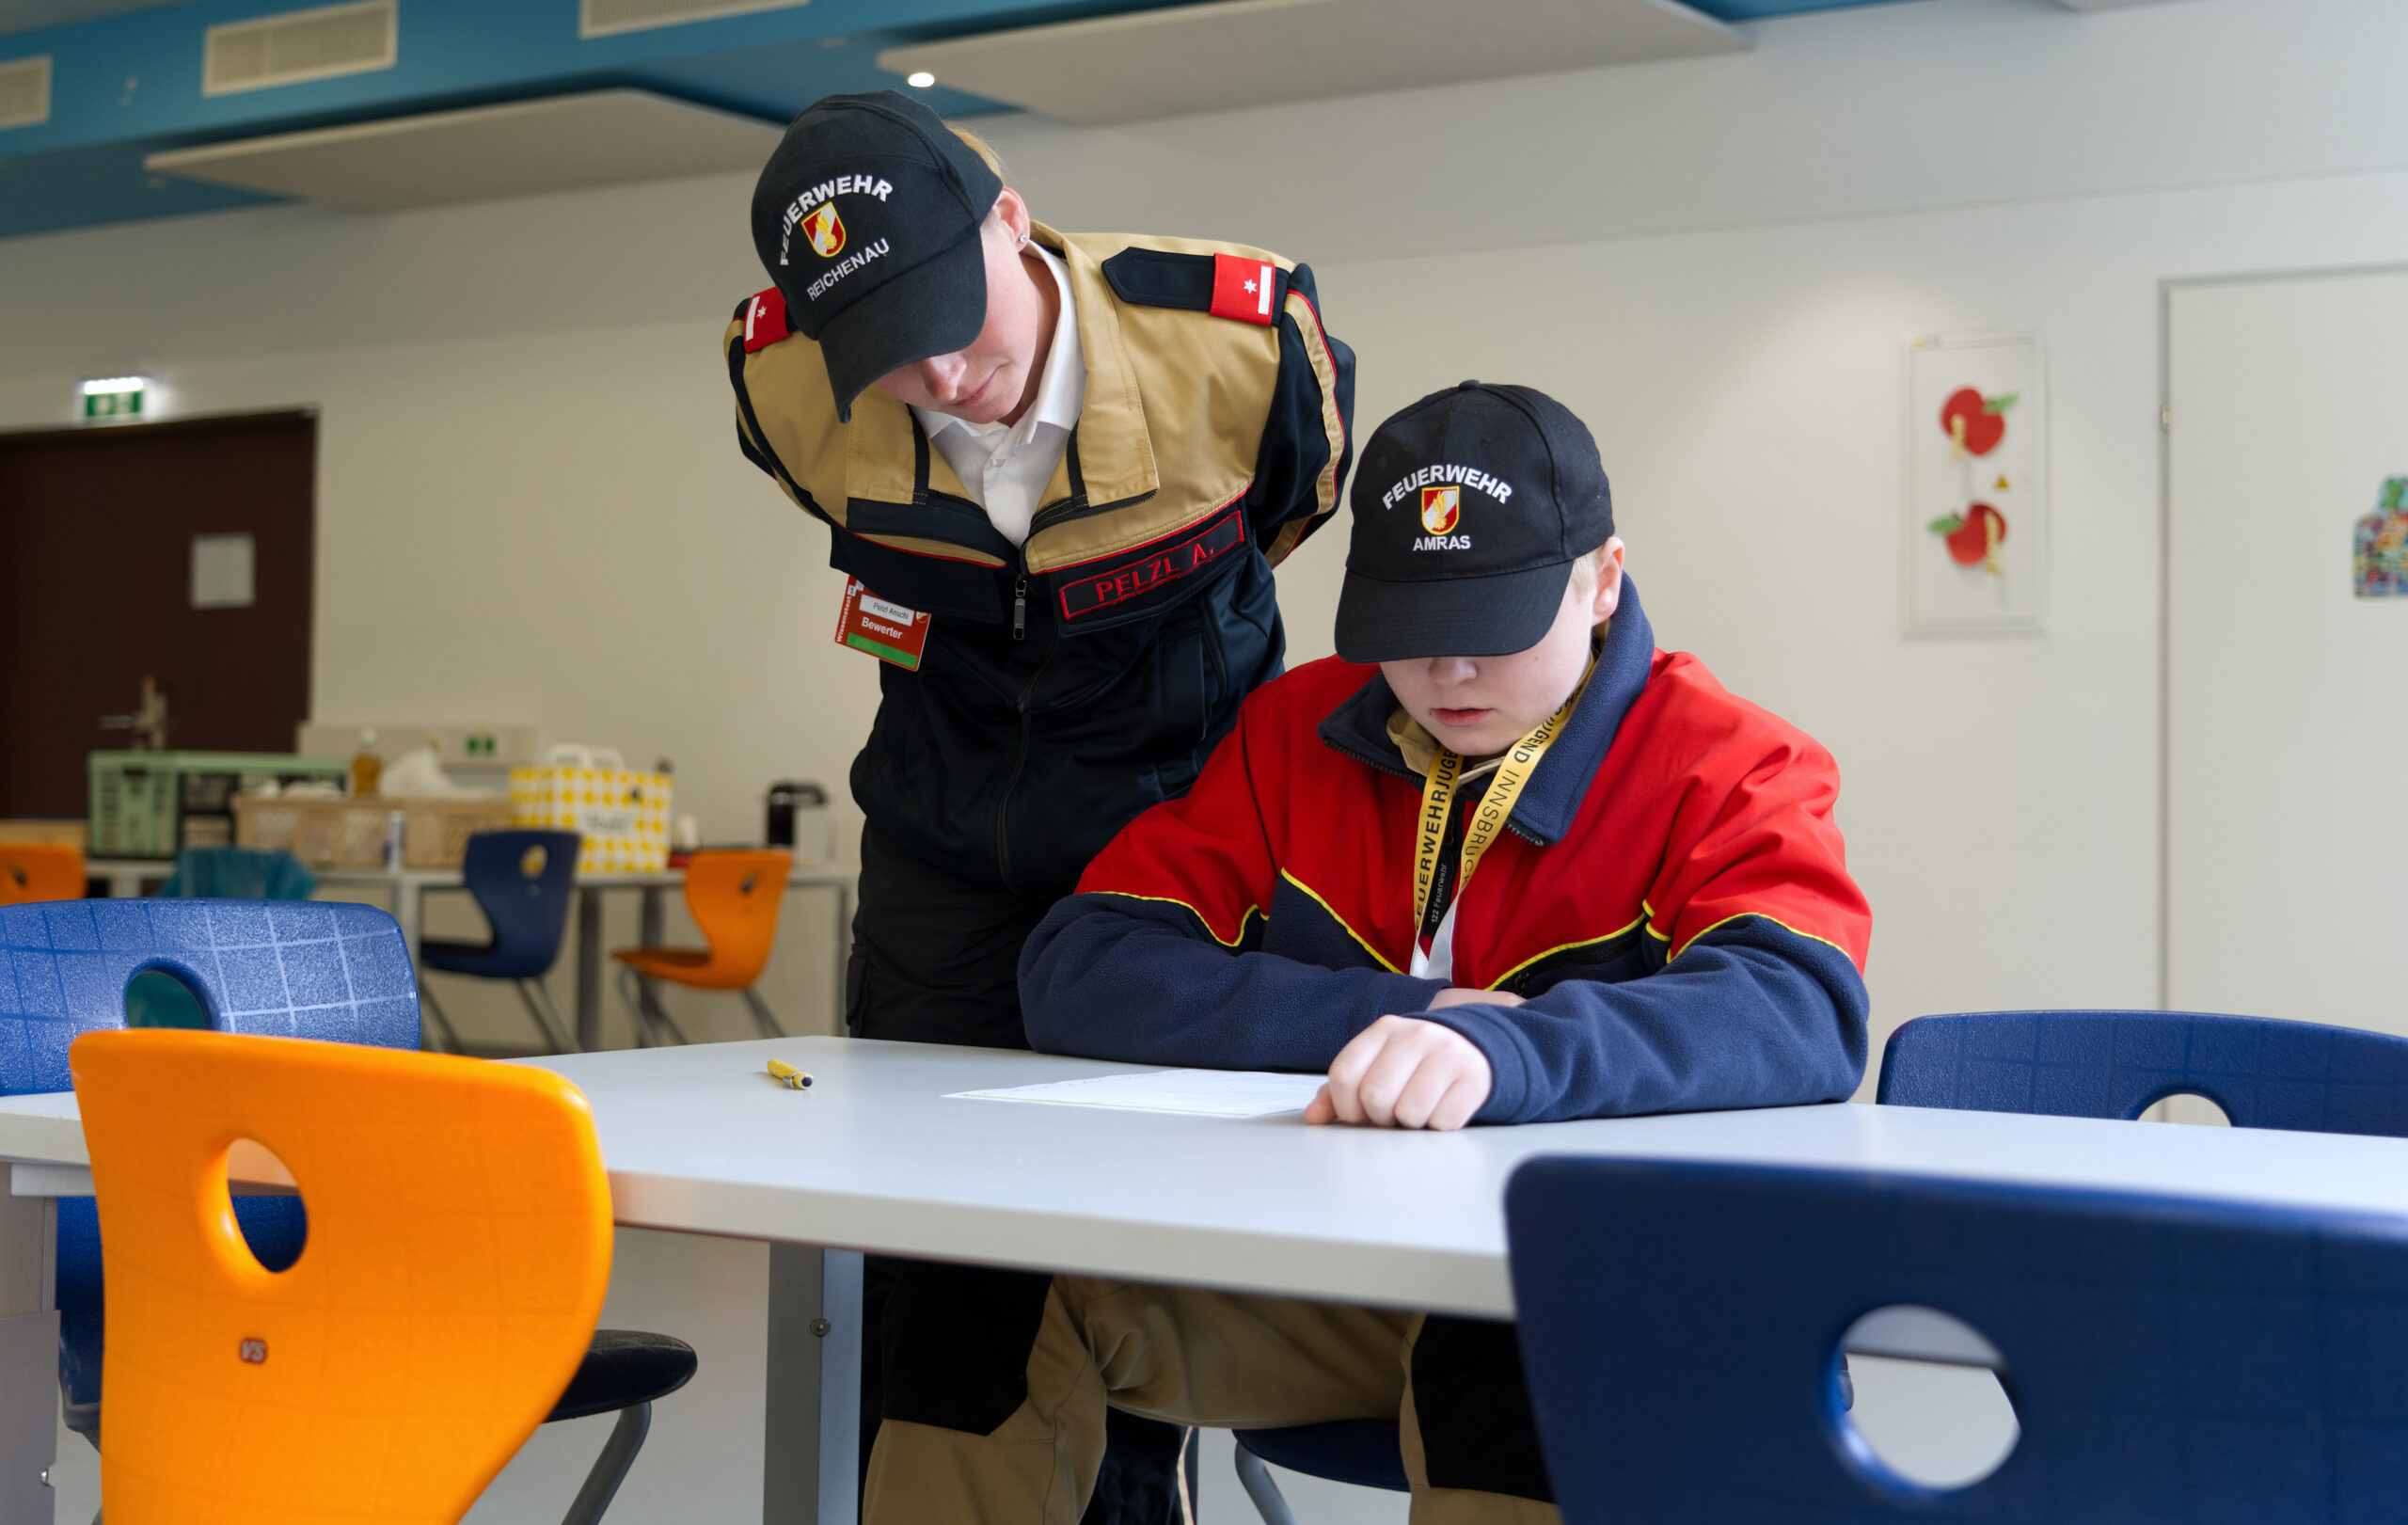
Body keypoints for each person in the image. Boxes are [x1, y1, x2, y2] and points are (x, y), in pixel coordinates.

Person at [860, 381, 1873, 1523]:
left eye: (1491, 623)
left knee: (1514, 1330)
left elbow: (1799, 1008)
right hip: (1338, 1274)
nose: (1447, 672)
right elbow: (1081, 966)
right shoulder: (1293, 734)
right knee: (982, 1280)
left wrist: (1505, 1055)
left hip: (1605, 1291)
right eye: (1406, 628)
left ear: (1601, 581)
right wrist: (1388, 1023)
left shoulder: (1735, 764)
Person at [724, 90, 1354, 1522]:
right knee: (918, 1228)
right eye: (890, 352)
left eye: (955, 319)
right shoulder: (780, 385)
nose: (945, 376)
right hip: (941, 837)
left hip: (1168, 830)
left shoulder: (1241, 346)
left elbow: (1289, 506)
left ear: (1012, 222)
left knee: (1130, 1226)